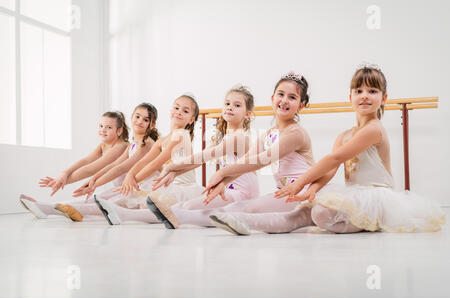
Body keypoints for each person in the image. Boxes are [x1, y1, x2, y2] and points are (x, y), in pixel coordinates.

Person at [210, 64, 446, 235]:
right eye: (359, 91)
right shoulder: (345, 135)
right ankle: (241, 221)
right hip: (353, 193)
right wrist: (313, 188)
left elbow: (334, 157)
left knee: (319, 214)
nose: (365, 96)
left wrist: (299, 182)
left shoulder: (374, 129)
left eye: (372, 92)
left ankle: (360, 223)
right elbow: (331, 169)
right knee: (303, 213)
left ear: (384, 98)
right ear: (350, 96)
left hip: (376, 196)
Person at [194, 72, 315, 234]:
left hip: (303, 192)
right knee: (238, 207)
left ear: (301, 105)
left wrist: (222, 172)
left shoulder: (295, 133)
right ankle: (178, 216)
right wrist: (222, 183)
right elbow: (247, 161)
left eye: (292, 97)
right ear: (273, 98)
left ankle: (300, 217)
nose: (285, 100)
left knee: (250, 208)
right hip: (284, 191)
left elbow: (262, 160)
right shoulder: (268, 134)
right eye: (281, 94)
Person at [150, 85, 259, 228]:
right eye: (227, 104)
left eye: (237, 105)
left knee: (188, 206)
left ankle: (179, 218)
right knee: (183, 205)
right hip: (230, 188)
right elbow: (198, 161)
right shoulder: (226, 136)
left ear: (247, 114)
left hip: (244, 192)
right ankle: (127, 214)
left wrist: (172, 166)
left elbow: (206, 156)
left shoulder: (240, 136)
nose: (230, 107)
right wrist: (176, 172)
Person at [94, 94, 203, 225]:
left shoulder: (181, 135)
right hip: (166, 184)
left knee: (147, 203)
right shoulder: (161, 140)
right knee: (127, 199)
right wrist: (131, 175)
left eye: (185, 111)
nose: (179, 112)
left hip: (182, 187)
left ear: (191, 120)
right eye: (176, 108)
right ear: (170, 111)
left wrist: (133, 180)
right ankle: (117, 211)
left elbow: (156, 163)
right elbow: (145, 161)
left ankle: (124, 215)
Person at [53, 103, 160, 222]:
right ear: (132, 117)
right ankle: (55, 207)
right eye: (137, 117)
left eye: (145, 120)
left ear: (152, 125)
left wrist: (94, 184)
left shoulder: (147, 143)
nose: (140, 121)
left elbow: (122, 168)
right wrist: (93, 179)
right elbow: (115, 165)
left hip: (147, 187)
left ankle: (67, 209)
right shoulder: (133, 143)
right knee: (100, 198)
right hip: (135, 185)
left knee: (109, 202)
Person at [19, 111, 129, 220]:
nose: (103, 130)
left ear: (119, 131)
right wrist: (64, 174)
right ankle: (43, 207)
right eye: (101, 126)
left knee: (93, 202)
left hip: (128, 191)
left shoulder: (121, 146)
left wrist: (62, 181)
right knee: (91, 200)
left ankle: (44, 207)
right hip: (119, 190)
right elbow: (85, 161)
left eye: (109, 127)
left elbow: (91, 169)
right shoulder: (103, 145)